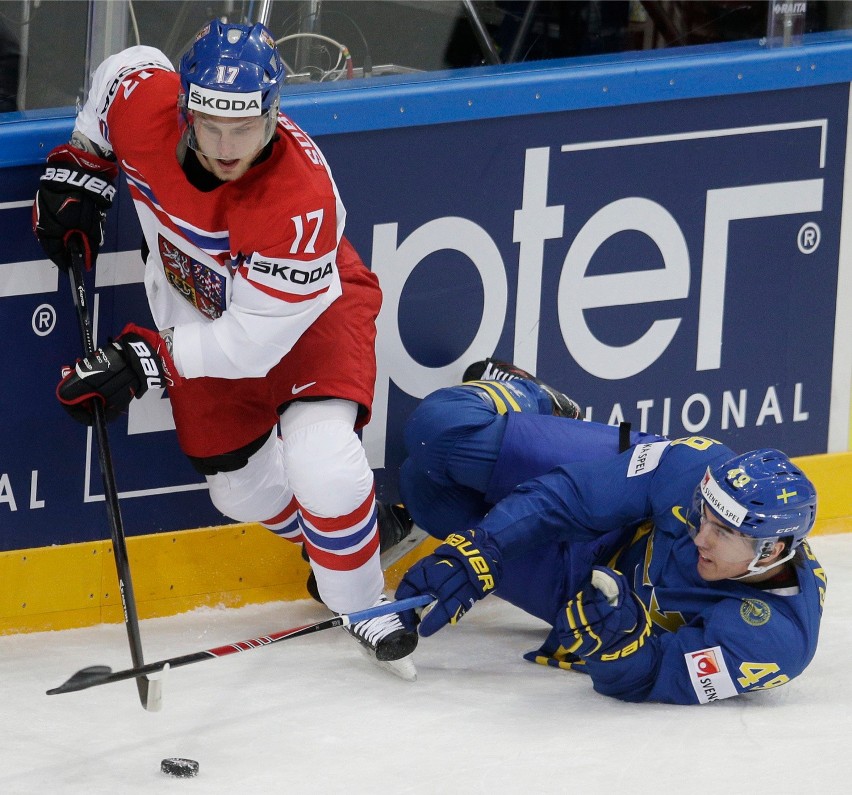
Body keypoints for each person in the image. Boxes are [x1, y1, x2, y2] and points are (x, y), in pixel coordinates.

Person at [32, 20, 417, 680]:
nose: (226, 145)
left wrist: (147, 360)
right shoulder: (145, 109)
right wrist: (86, 161)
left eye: (244, 127)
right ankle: (349, 538)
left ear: (273, 112)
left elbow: (251, 344)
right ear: (184, 107)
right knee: (238, 492)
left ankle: (360, 600)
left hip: (305, 320)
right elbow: (125, 66)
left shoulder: (300, 198)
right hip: (204, 316)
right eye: (210, 124)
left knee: (322, 460)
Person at [394, 358, 826, 703]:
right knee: (438, 432)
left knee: (425, 492)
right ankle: (537, 397)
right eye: (703, 516)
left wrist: (617, 646)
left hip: (575, 589)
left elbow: (657, 674)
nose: (700, 536)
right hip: (619, 511)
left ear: (770, 551)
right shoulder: (695, 467)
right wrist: (486, 545)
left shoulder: (775, 641)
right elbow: (573, 497)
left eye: (724, 533)